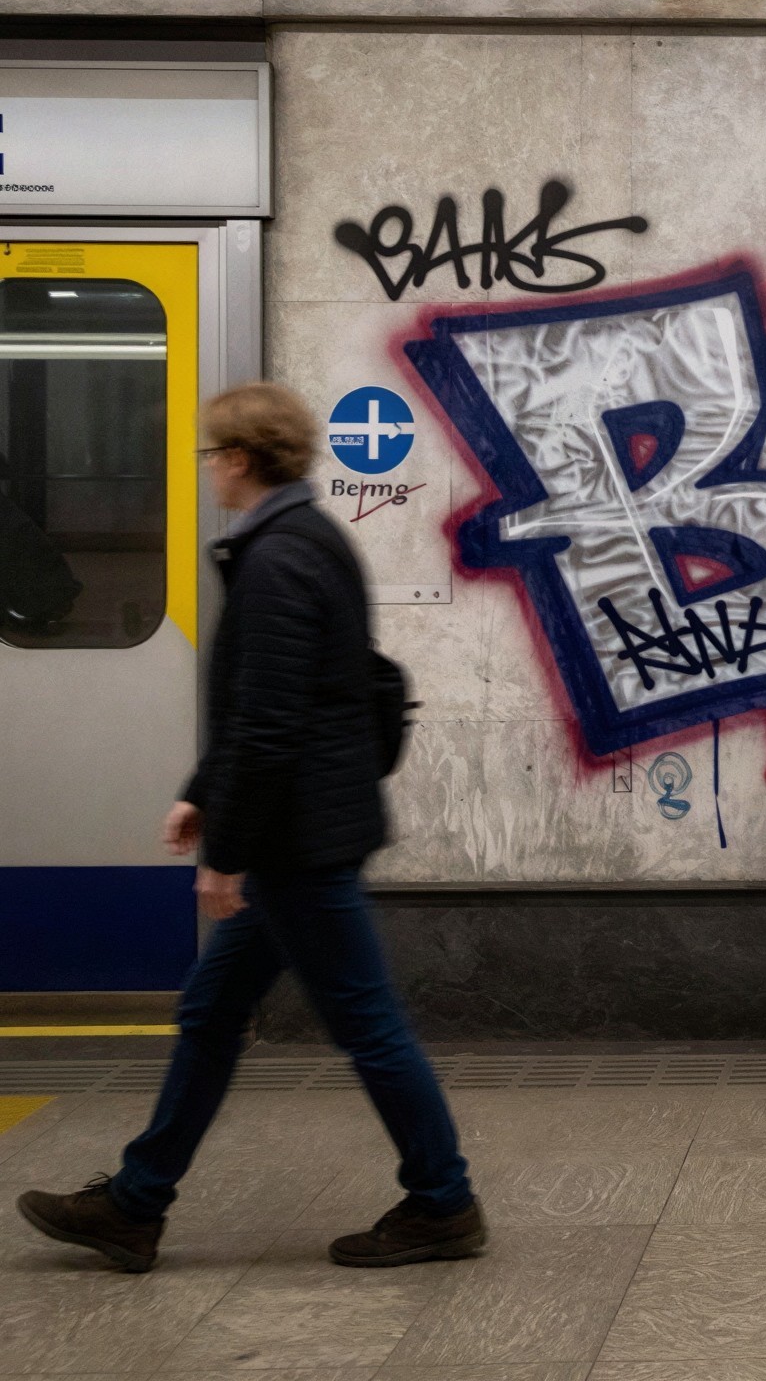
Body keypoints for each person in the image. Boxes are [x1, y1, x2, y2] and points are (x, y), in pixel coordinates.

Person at [14, 383, 486, 1273]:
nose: (207, 471)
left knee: (367, 1024)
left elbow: (271, 724)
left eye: (210, 455)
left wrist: (225, 853)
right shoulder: (304, 542)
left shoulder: (277, 558)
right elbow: (268, 705)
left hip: (297, 842)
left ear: (237, 459)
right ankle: (135, 1200)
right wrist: (203, 789)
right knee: (212, 1010)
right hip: (304, 827)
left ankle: (443, 1201)